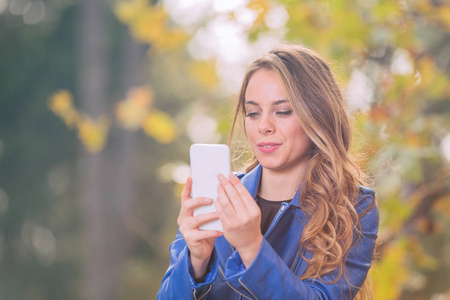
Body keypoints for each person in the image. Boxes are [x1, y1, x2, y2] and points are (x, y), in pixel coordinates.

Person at [157, 45, 379, 299]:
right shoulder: (214, 197)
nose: (264, 126)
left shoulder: (354, 206)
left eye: (282, 111)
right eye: (253, 113)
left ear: (319, 115)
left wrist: (252, 247)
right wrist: (195, 262)